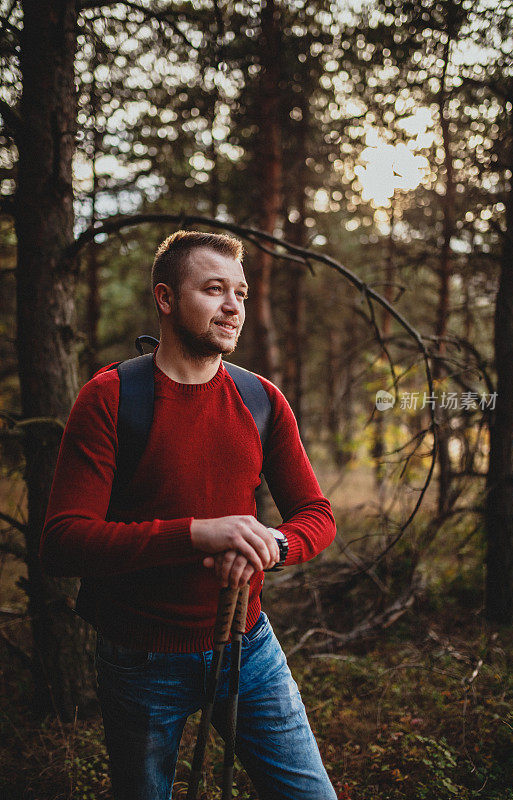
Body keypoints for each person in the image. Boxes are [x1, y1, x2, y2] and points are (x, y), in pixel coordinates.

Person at [40, 230, 338, 800]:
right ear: (166, 298)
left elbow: (315, 514)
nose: (233, 307)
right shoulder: (111, 398)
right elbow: (64, 542)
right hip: (141, 657)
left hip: (248, 646)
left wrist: (270, 545)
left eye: (241, 294)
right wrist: (198, 534)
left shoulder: (260, 400)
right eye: (214, 289)